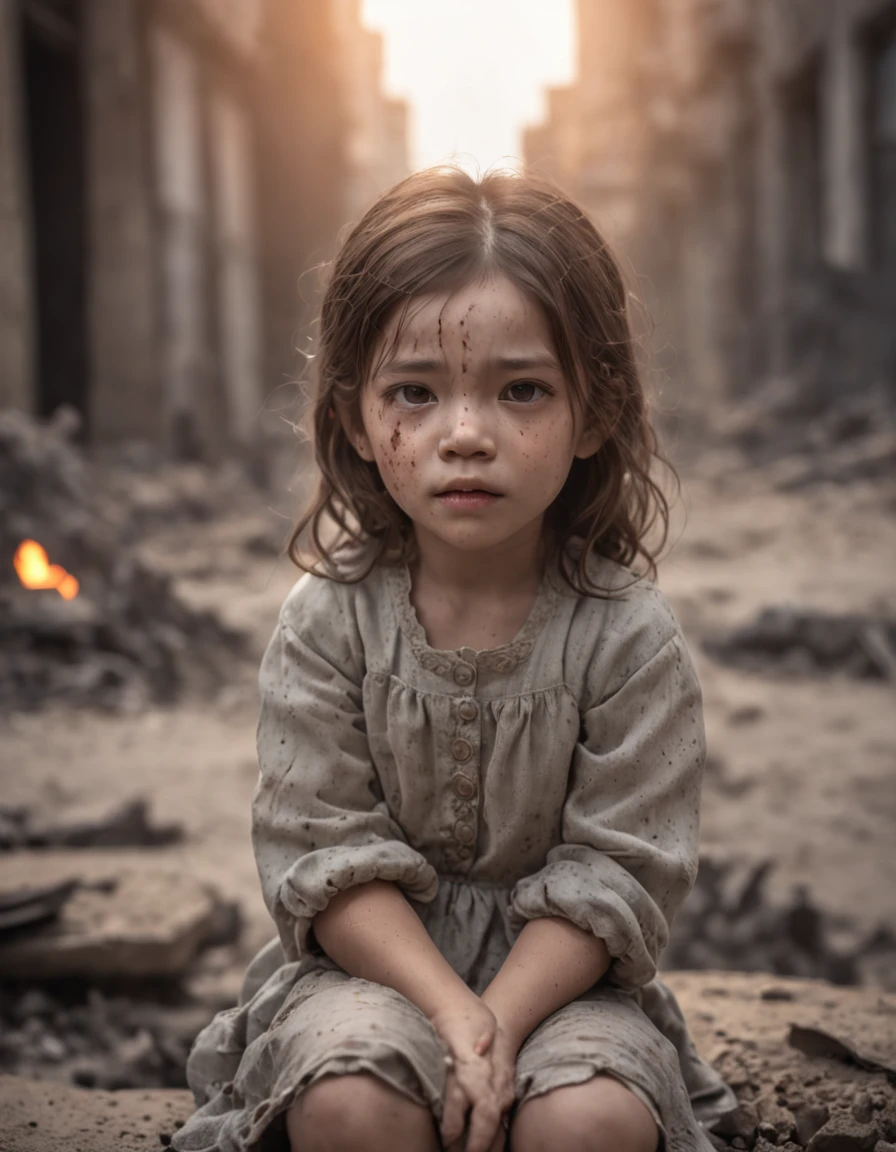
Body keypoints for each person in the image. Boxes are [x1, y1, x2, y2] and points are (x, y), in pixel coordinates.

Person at [172, 166, 735, 1152]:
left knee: (589, 1120)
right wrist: (452, 1015)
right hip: (368, 976)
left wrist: (502, 1018)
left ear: (592, 414)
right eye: (414, 393)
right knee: (353, 1102)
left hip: (568, 985)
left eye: (520, 390)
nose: (464, 435)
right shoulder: (328, 622)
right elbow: (323, 855)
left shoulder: (624, 632)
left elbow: (620, 872)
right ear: (353, 415)